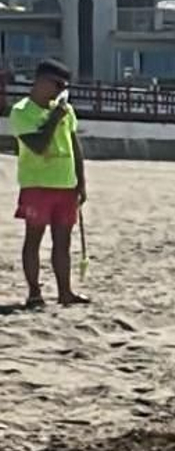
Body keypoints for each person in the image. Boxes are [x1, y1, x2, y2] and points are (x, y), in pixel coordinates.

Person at [9, 60, 88, 308]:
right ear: (41, 81)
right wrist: (54, 118)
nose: (59, 91)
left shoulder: (66, 111)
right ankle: (34, 293)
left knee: (63, 241)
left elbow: (75, 145)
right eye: (57, 85)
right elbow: (38, 145)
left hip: (65, 184)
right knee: (34, 239)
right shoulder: (22, 111)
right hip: (37, 185)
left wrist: (81, 182)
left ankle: (65, 292)